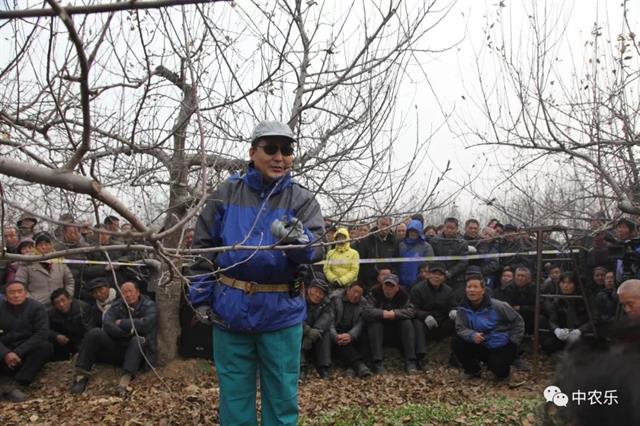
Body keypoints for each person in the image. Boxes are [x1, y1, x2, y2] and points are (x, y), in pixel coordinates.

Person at [188, 120, 324, 426]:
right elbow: (202, 249)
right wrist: (200, 298)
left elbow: (316, 251)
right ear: (252, 152)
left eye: (287, 149)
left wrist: (298, 242)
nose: (280, 156)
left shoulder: (302, 199)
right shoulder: (225, 193)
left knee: (282, 403)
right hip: (230, 314)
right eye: (271, 148)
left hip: (281, 316)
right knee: (234, 405)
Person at [70, 281, 157, 396]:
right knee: (95, 333)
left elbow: (145, 325)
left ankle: (124, 382)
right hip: (118, 345)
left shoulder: (149, 305)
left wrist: (122, 323)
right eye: (124, 292)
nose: (128, 295)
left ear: (137, 292)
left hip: (139, 353)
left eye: (130, 291)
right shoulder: (117, 305)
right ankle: (81, 377)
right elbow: (107, 323)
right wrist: (127, 332)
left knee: (138, 339)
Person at [452, 275, 524, 381]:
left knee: (499, 369)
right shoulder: (462, 308)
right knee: (457, 342)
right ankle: (473, 370)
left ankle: (503, 371)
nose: (472, 290)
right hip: (479, 342)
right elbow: (460, 327)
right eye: (469, 287)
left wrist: (513, 341)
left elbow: (518, 321)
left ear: (483, 290)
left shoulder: (498, 306)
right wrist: (471, 335)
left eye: (475, 287)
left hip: (500, 344)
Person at [0, 280, 52, 402]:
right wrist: (5, 353)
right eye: (12, 292)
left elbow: (41, 333)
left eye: (19, 291)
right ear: (6, 295)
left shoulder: (37, 308)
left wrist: (17, 353)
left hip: (25, 350)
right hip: (4, 350)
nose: (16, 295)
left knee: (45, 346)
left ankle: (17, 384)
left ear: (26, 293)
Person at [363, 273, 418, 374]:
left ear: (397, 288)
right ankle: (377, 362)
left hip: (397, 330)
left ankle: (411, 361)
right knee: (374, 323)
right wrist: (383, 313)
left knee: (407, 323)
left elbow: (412, 311)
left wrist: (395, 314)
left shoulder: (404, 294)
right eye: (386, 286)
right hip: (379, 330)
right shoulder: (374, 292)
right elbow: (366, 311)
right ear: (382, 285)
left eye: (392, 286)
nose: (388, 289)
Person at [410, 263, 455, 369]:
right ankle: (420, 357)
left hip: (442, 323)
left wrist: (454, 310)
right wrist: (425, 316)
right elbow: (412, 309)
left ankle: (456, 356)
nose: (437, 277)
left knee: (458, 320)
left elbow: (453, 305)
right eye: (434, 273)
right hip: (424, 323)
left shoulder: (448, 290)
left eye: (440, 275)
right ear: (429, 275)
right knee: (416, 323)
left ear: (444, 277)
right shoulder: (417, 289)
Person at [15, 232, 75, 307]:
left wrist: (67, 297)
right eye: (40, 245)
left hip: (60, 304)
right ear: (35, 247)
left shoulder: (59, 261)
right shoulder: (27, 263)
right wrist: (32, 301)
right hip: (38, 305)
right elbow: (20, 285)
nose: (44, 247)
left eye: (47, 244)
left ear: (51, 245)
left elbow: (69, 281)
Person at [541, 272, 592, 354]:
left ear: (575, 284)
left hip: (581, 334)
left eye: (569, 283)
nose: (565, 286)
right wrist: (557, 330)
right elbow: (553, 320)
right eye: (563, 283)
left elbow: (593, 320)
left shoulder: (585, 300)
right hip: (564, 333)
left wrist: (580, 331)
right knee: (548, 343)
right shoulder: (557, 301)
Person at [329, 282, 372, 378]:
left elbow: (361, 322)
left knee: (365, 336)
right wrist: (335, 336)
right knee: (341, 340)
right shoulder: (335, 298)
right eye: (354, 291)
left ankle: (352, 368)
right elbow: (329, 320)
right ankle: (359, 365)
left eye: (359, 293)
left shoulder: (363, 302)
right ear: (348, 290)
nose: (356, 295)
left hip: (352, 330)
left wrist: (351, 335)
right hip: (337, 329)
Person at [429, 217, 469, 300]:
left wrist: (450, 273)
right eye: (447, 227)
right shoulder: (435, 241)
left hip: (457, 278)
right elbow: (432, 259)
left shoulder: (462, 243)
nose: (449, 230)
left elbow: (463, 262)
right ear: (444, 227)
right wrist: (440, 273)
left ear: (457, 229)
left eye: (452, 228)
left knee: (455, 300)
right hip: (438, 275)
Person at [48, 288, 92, 361]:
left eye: (63, 300)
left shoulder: (83, 308)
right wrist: (56, 335)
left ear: (70, 299)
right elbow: (44, 329)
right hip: (65, 342)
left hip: (82, 340)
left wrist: (81, 350)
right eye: (57, 303)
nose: (61, 304)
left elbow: (89, 330)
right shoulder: (51, 314)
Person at [301, 278, 332, 379]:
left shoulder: (326, 303)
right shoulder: (299, 299)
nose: (318, 295)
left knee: (325, 332)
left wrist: (312, 335)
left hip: (315, 332)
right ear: (309, 289)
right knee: (294, 333)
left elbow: (326, 318)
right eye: (316, 291)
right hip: (302, 329)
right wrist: (307, 331)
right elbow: (294, 318)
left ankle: (324, 366)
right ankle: (301, 366)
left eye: (321, 293)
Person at [356, 216, 397, 289]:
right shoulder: (367, 240)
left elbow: (396, 262)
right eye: (382, 224)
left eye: (387, 225)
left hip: (388, 283)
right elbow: (361, 264)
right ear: (377, 225)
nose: (384, 227)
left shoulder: (394, 241)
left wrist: (389, 274)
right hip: (369, 282)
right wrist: (377, 274)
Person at [397, 219, 434, 289]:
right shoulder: (401, 245)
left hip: (419, 283)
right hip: (401, 282)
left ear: (419, 232)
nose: (413, 233)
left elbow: (430, 264)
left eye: (415, 231)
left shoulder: (426, 246)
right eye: (411, 231)